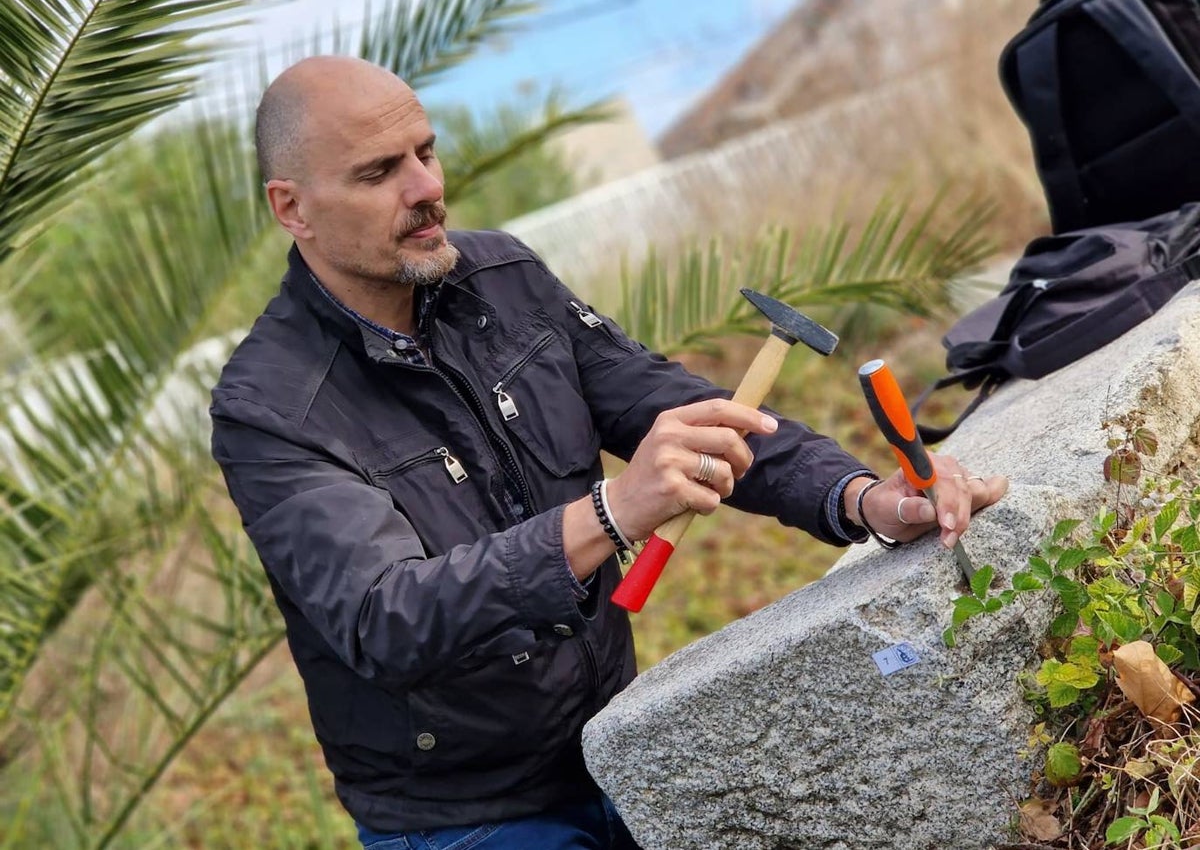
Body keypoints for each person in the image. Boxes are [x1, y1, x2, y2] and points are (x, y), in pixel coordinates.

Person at [209, 56, 1008, 850]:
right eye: (379, 171)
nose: (425, 188)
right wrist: (612, 511)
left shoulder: (503, 277)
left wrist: (863, 499)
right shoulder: (271, 407)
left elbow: (675, 407)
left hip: (620, 743)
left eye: (426, 150)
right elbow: (386, 616)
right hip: (466, 819)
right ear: (294, 207)